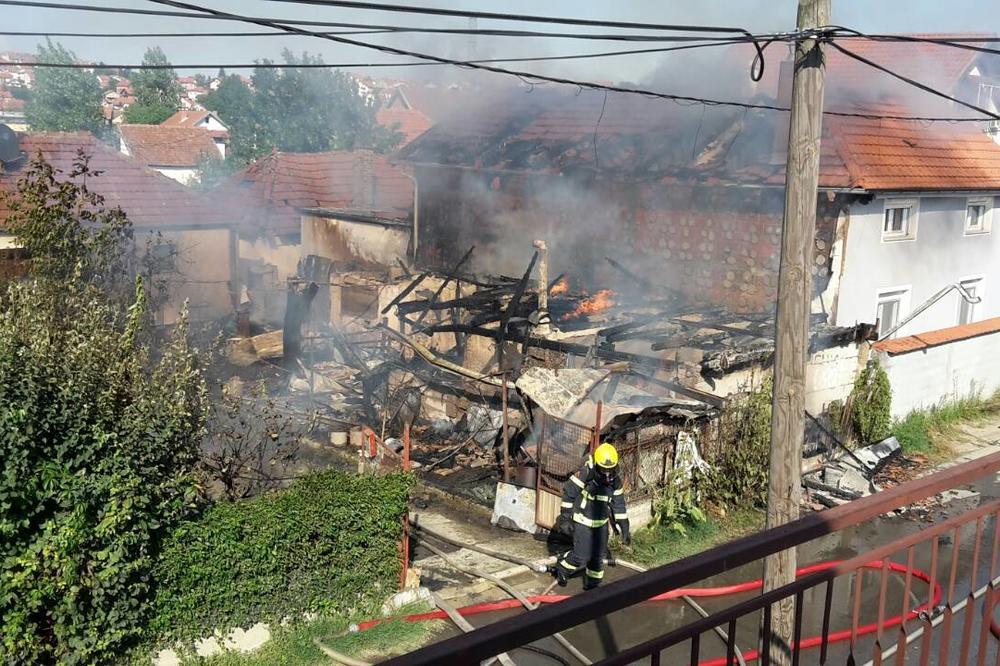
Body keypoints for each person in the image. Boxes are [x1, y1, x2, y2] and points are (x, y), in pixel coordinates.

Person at [550, 442, 630, 590]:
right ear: (597, 465)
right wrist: (566, 517)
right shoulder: (586, 473)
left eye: (610, 469)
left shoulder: (615, 481)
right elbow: (569, 493)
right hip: (583, 521)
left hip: (601, 524)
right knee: (581, 556)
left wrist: (624, 526)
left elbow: (618, 504)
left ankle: (593, 585)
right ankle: (562, 567)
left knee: (598, 557)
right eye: (604, 469)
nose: (607, 474)